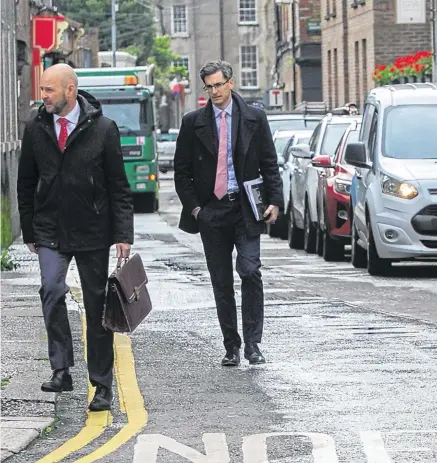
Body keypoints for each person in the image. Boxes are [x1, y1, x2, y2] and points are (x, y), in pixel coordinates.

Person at [17, 64, 133, 411]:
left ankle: (101, 386)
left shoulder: (103, 129)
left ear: (70, 91)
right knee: (51, 291)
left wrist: (123, 234)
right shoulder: (36, 128)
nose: (43, 96)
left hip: (93, 230)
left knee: (98, 308)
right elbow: (25, 183)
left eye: (49, 90)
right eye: (42, 89)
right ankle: (61, 369)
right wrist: (30, 229)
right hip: (50, 230)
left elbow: (119, 187)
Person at [174, 60, 283, 366]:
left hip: (246, 208)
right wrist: (196, 209)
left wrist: (274, 200)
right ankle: (231, 346)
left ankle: (253, 344)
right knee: (221, 281)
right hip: (212, 211)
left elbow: (269, 162)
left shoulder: (254, 118)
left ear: (230, 83)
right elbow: (182, 173)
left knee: (250, 271)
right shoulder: (193, 122)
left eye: (219, 85)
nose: (214, 91)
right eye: (209, 86)